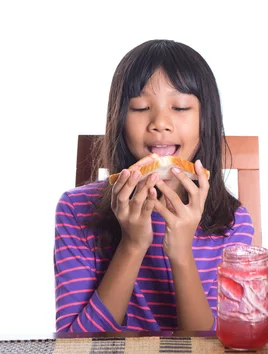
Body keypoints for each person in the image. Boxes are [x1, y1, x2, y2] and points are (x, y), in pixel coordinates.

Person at [54, 39, 254, 332]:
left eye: (181, 107)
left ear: (206, 123)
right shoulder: (75, 210)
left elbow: (216, 346)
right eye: (141, 107)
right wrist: (132, 245)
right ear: (118, 121)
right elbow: (75, 345)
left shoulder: (233, 223)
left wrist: (181, 253)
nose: (160, 122)